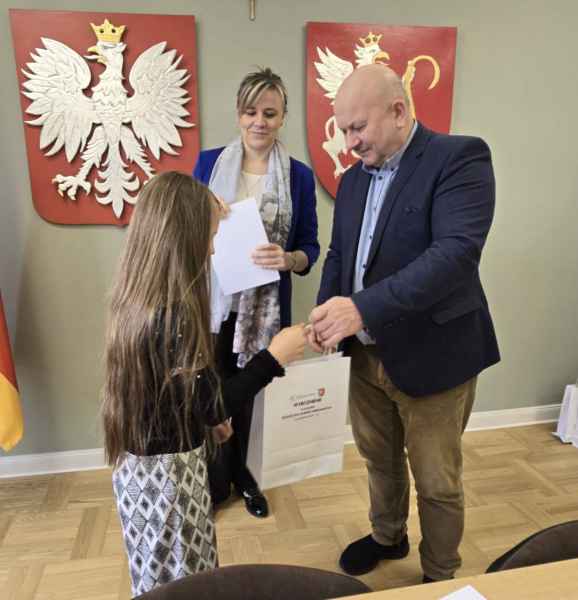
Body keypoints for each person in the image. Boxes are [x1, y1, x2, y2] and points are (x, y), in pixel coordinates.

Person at [309, 64, 500, 583]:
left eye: (357, 127)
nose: (349, 142)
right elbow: (340, 255)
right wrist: (327, 313)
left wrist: (361, 308)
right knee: (379, 458)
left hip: (434, 354)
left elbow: (454, 255)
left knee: (437, 480)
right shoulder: (352, 180)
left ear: (398, 111)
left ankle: (440, 572)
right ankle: (387, 535)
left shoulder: (459, 158)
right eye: (344, 130)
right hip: (364, 355)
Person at [102, 171, 307, 596]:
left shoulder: (137, 297)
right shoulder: (174, 314)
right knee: (188, 581)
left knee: (154, 573)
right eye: (210, 235)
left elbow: (173, 396)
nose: (213, 248)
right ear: (183, 238)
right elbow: (213, 404)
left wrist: (205, 422)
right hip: (170, 483)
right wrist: (274, 357)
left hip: (140, 473)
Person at [193, 67, 320, 518]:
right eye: (251, 112)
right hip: (212, 304)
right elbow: (186, 232)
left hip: (264, 310)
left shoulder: (299, 176)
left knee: (249, 394)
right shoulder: (208, 164)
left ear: (283, 117)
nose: (259, 122)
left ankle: (245, 477)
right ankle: (213, 478)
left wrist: (288, 259)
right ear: (238, 114)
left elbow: (310, 248)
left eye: (270, 113)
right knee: (209, 391)